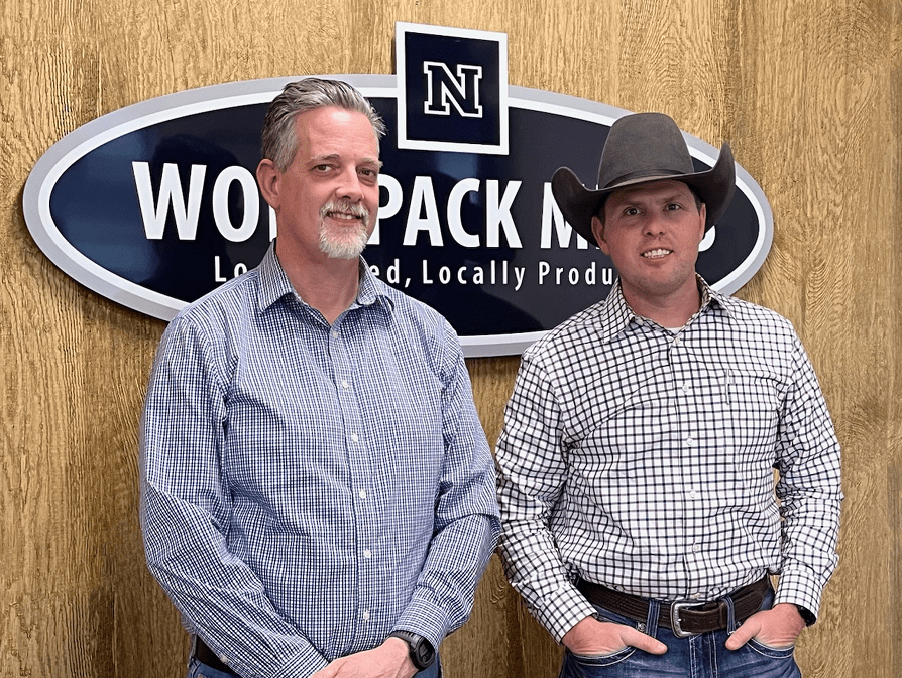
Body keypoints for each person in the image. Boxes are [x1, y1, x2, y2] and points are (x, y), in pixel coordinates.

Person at [140, 78, 500, 678]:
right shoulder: (204, 339)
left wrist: (408, 644)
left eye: (366, 171)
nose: (351, 190)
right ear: (272, 183)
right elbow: (181, 538)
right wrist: (297, 669)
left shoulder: (429, 337)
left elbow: (471, 505)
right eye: (326, 167)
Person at [495, 112, 842, 677]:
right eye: (632, 211)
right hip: (622, 652)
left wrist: (795, 605)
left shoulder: (771, 339)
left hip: (752, 648)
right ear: (601, 233)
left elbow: (816, 476)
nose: (655, 227)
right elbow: (516, 510)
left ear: (702, 219)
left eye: (673, 207)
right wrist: (577, 627)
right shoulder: (556, 360)